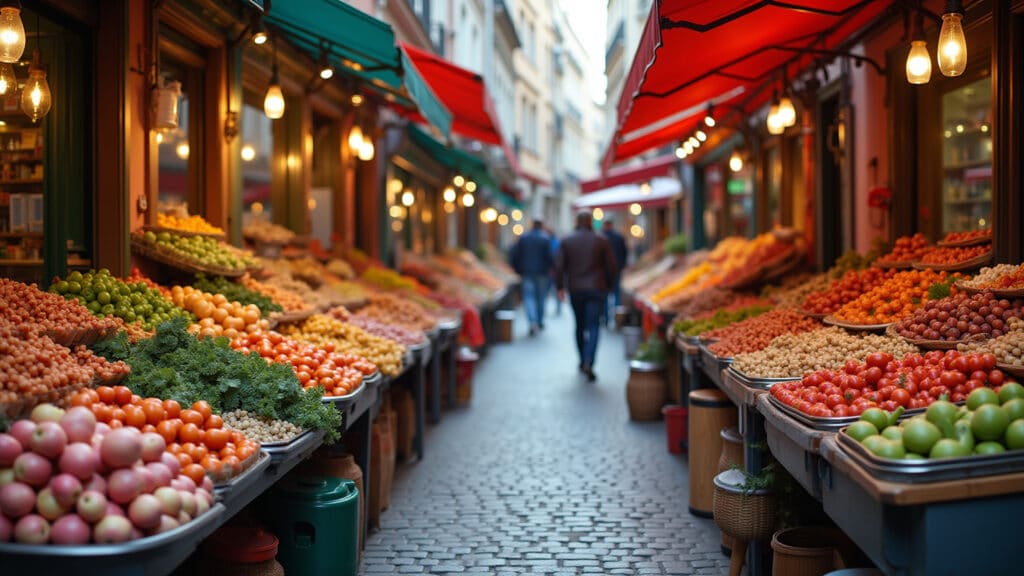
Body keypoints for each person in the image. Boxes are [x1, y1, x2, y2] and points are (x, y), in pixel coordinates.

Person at [554, 211, 618, 381]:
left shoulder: (567, 240)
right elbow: (612, 267)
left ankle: (583, 359)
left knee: (579, 325)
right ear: (590, 222)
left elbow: (559, 266)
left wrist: (560, 287)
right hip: (597, 288)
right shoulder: (601, 240)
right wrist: (609, 286)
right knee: (594, 326)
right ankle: (589, 360)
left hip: (575, 289)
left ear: (577, 221)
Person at [509, 219, 554, 336]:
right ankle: (538, 321)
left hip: (527, 272)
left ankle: (532, 321)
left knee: (529, 297)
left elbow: (515, 254)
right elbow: (550, 257)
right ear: (541, 226)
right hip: (542, 273)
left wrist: (517, 269)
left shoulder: (524, 238)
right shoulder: (545, 238)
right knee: (541, 298)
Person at [601, 219, 628, 327]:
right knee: (617, 294)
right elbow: (625, 253)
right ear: (612, 225)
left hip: (603, 271)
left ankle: (606, 318)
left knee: (605, 295)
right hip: (616, 270)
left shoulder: (601, 237)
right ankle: (618, 319)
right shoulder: (619, 237)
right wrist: (622, 266)